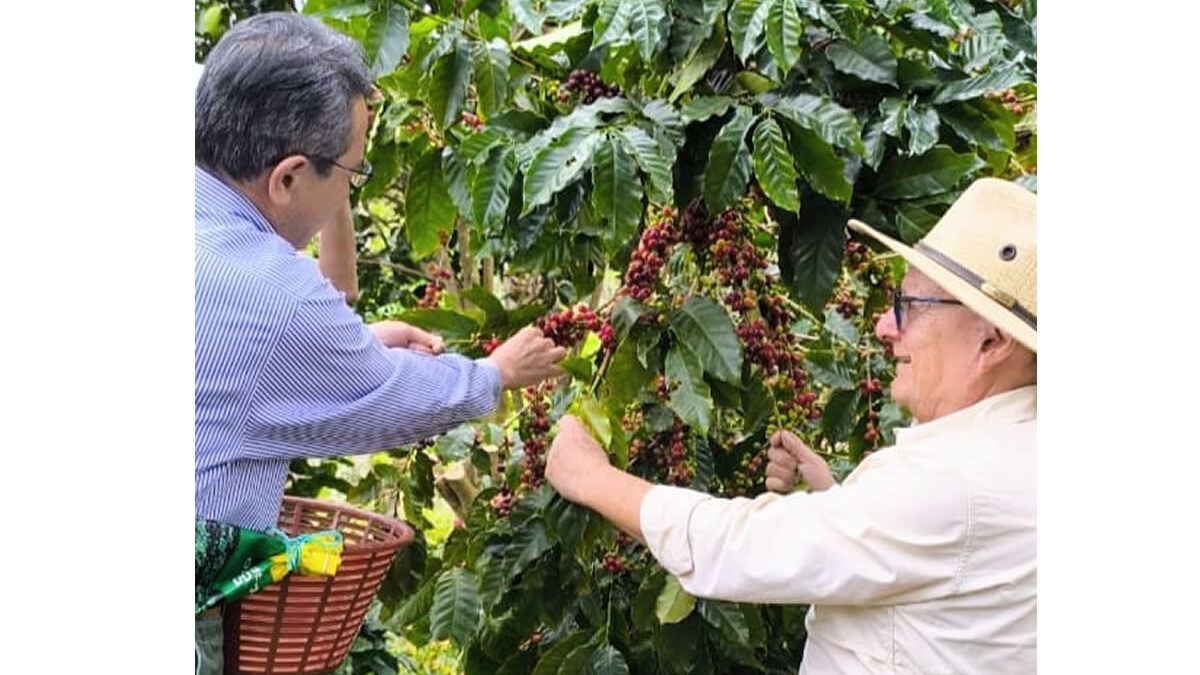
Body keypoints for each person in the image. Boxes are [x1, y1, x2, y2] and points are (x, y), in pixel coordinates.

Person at [194, 12, 565, 674]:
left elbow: (227, 360)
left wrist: (352, 341)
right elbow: (384, 396)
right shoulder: (276, 293)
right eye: (350, 175)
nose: (349, 189)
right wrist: (496, 372)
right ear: (287, 177)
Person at [546, 177, 1037, 674]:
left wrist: (591, 477)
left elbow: (738, 547)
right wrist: (834, 502)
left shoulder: (953, 483)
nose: (884, 328)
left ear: (992, 342)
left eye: (907, 306)